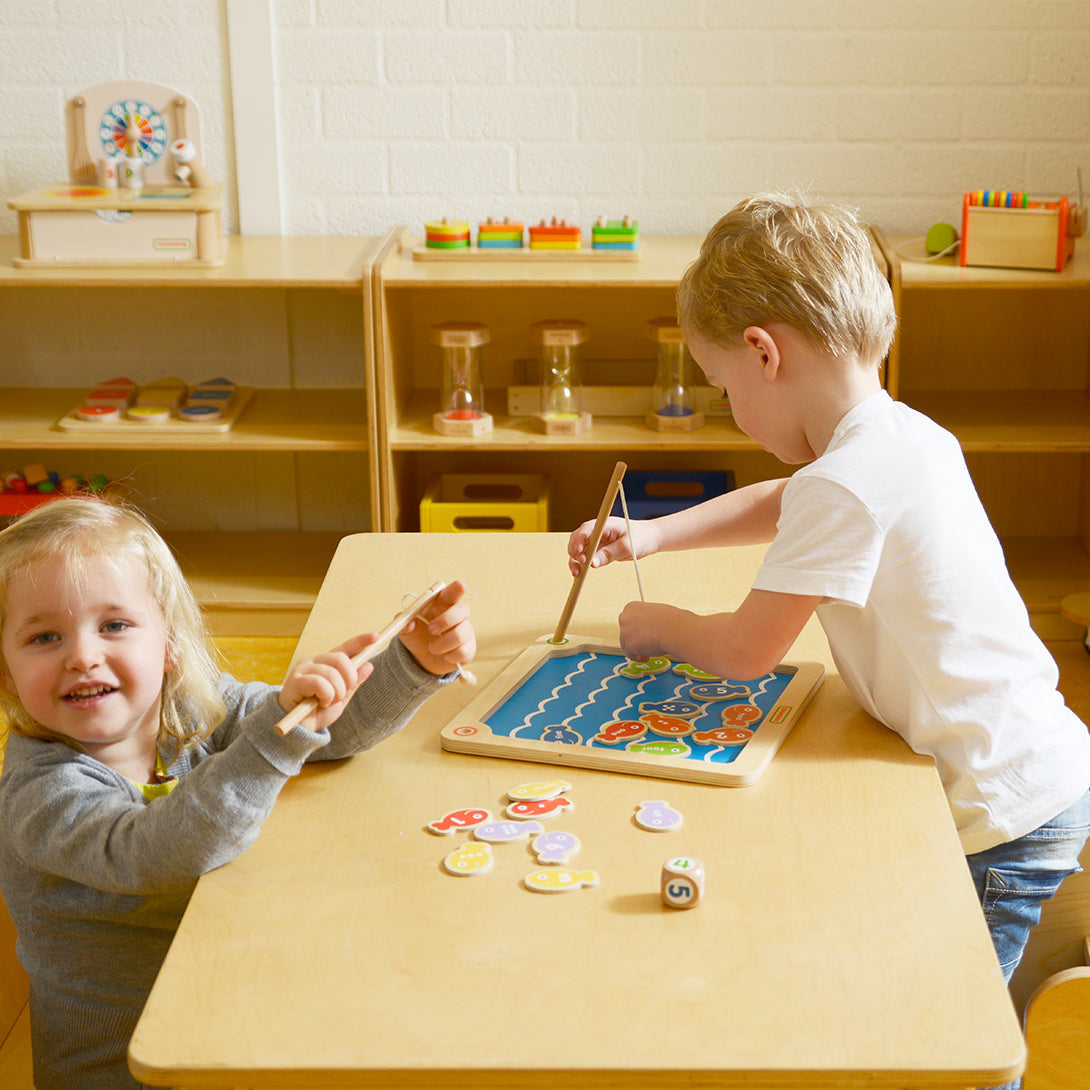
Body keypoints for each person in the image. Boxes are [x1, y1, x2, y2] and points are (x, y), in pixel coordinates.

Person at [569, 192, 1090, 1008]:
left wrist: (659, 625)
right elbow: (786, 499)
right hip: (1035, 767)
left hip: (998, 811)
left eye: (722, 387)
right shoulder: (898, 434)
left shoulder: (847, 483)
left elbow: (746, 652)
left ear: (762, 353)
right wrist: (655, 535)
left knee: (958, 1031)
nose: (733, 415)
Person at [0, 496, 475, 1090]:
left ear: (169, 643)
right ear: (5, 670)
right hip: (131, 1067)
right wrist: (273, 740)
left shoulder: (189, 708)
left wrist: (412, 666)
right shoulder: (39, 792)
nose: (83, 656)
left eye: (115, 625)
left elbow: (317, 734)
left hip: (226, 1002)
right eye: (44, 637)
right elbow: (156, 848)